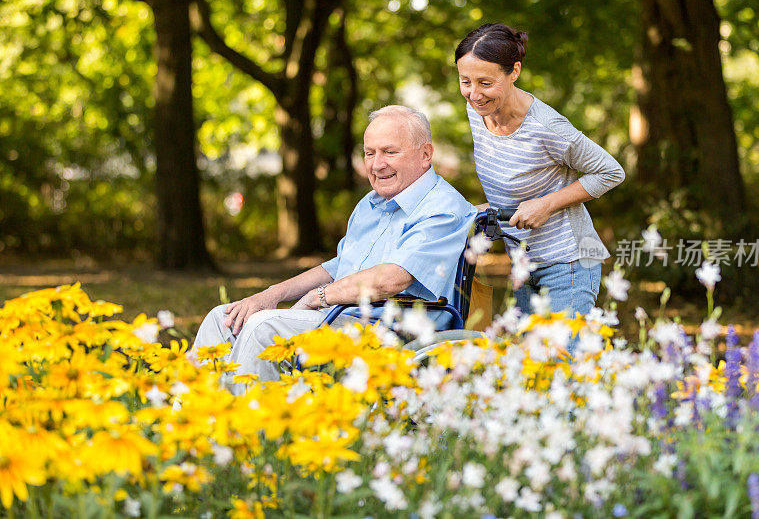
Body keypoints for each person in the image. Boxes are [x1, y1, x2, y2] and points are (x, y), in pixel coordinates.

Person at [193, 105, 477, 390]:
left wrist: (319, 298)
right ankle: (195, 422)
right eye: (370, 153)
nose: (377, 165)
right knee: (225, 318)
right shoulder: (370, 204)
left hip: (394, 335)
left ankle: (252, 427)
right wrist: (271, 295)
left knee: (263, 327)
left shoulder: (442, 208)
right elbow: (336, 268)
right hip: (343, 319)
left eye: (390, 152)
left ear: (425, 154)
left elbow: (393, 278)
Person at [455, 23, 624, 321]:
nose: (474, 93)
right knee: (530, 366)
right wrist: (489, 209)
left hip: (568, 264)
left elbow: (610, 171)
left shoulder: (546, 127)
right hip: (522, 263)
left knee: (560, 363)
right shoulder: (477, 110)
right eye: (465, 81)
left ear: (514, 72)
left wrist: (546, 204)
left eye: (485, 82)